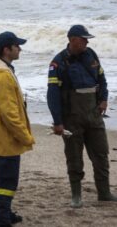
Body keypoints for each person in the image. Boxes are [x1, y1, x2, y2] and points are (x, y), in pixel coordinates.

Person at [47, 25, 117, 208]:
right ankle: (76, 195)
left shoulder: (91, 55)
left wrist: (103, 99)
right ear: (72, 40)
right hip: (71, 117)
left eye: (87, 39)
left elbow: (102, 80)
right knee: (74, 157)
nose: (87, 42)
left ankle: (104, 193)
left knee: (101, 154)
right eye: (84, 39)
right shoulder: (58, 62)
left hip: (94, 114)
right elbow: (52, 94)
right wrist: (57, 122)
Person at [0, 32, 35, 227]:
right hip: (7, 137)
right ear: (7, 49)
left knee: (6, 178)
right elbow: (10, 113)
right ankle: (2, 219)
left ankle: (5, 213)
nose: (20, 48)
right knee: (7, 181)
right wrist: (25, 136)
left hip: (2, 136)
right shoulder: (3, 76)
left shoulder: (2, 71)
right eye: (16, 45)